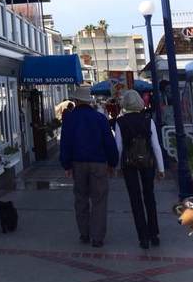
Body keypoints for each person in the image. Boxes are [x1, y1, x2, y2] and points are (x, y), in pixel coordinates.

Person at [60, 85, 119, 248]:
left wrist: (66, 165)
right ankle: (97, 237)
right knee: (99, 200)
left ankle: (84, 233)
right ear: (89, 101)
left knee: (81, 199)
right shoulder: (100, 118)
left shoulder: (70, 119)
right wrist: (112, 162)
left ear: (76, 100)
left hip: (77, 163)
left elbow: (65, 143)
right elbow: (109, 142)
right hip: (98, 163)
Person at [114, 90, 165, 249]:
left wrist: (117, 167)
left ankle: (143, 237)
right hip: (147, 162)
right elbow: (156, 146)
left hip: (129, 164)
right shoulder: (148, 120)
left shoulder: (120, 122)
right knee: (149, 196)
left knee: (135, 199)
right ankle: (154, 234)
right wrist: (161, 168)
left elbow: (118, 147)